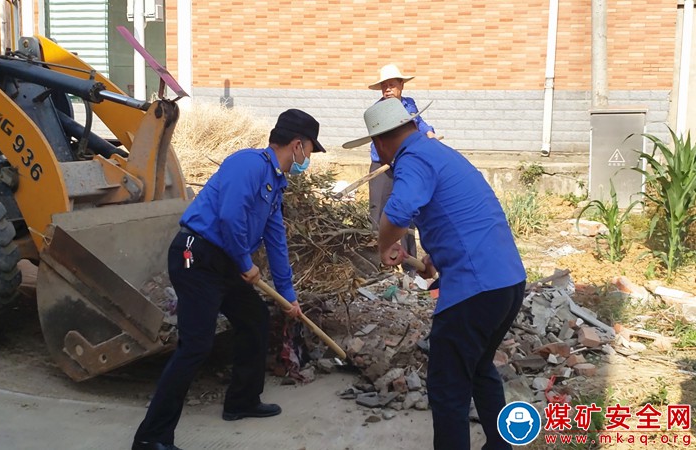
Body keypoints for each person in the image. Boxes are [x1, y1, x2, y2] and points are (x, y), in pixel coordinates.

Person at [132, 109, 326, 450]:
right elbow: (229, 216)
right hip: (196, 256)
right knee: (196, 345)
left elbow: (276, 239)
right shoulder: (247, 165)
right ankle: (151, 437)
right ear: (297, 145)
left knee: (255, 318)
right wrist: (244, 262)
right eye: (309, 149)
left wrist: (288, 294)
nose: (307, 157)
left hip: (224, 263)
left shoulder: (275, 183)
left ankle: (242, 401)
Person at [343, 98, 526, 450]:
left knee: (447, 387)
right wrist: (430, 261)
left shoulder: (412, 159)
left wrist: (384, 246)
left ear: (379, 142)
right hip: (507, 282)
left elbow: (398, 211)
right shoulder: (438, 153)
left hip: (475, 289)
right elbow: (456, 218)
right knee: (479, 367)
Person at [367, 63, 436, 269]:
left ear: (401, 86)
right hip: (382, 162)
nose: (387, 89)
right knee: (378, 208)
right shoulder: (377, 111)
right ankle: (378, 260)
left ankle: (409, 265)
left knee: (406, 210)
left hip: (404, 163)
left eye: (391, 85)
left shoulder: (409, 105)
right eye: (384, 86)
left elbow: (419, 123)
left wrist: (429, 133)